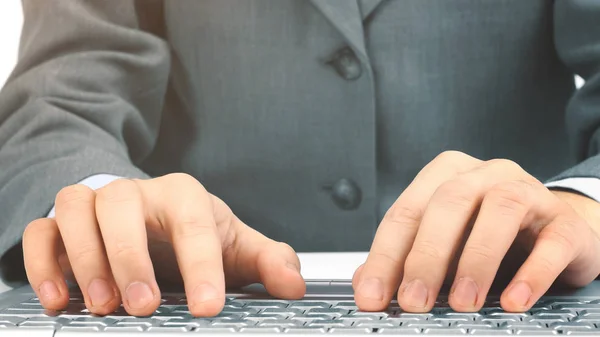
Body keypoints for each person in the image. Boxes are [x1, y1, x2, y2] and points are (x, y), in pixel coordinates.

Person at [0, 0, 599, 318]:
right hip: (189, 297)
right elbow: (63, 87)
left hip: (516, 287)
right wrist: (104, 201)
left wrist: (585, 201)